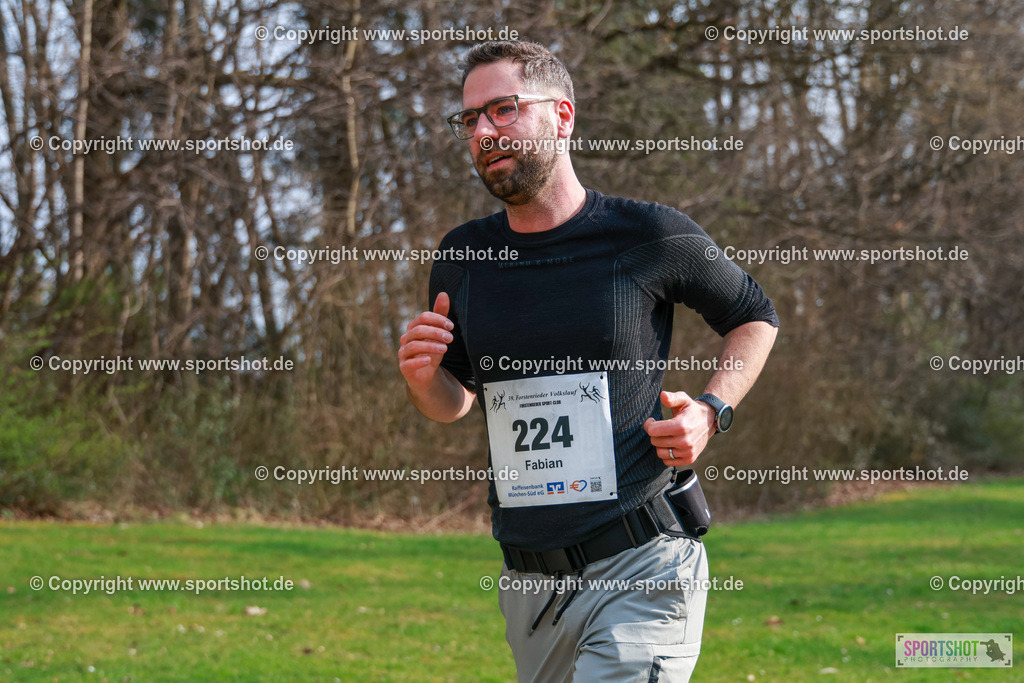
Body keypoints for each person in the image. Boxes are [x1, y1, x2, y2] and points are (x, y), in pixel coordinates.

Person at [398, 40, 778, 682]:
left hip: (643, 563)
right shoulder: (463, 255)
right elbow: (455, 399)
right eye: (469, 120)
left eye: (503, 109)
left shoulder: (648, 236)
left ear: (563, 116)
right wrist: (421, 377)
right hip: (530, 584)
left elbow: (753, 317)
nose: (485, 132)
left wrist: (712, 411)